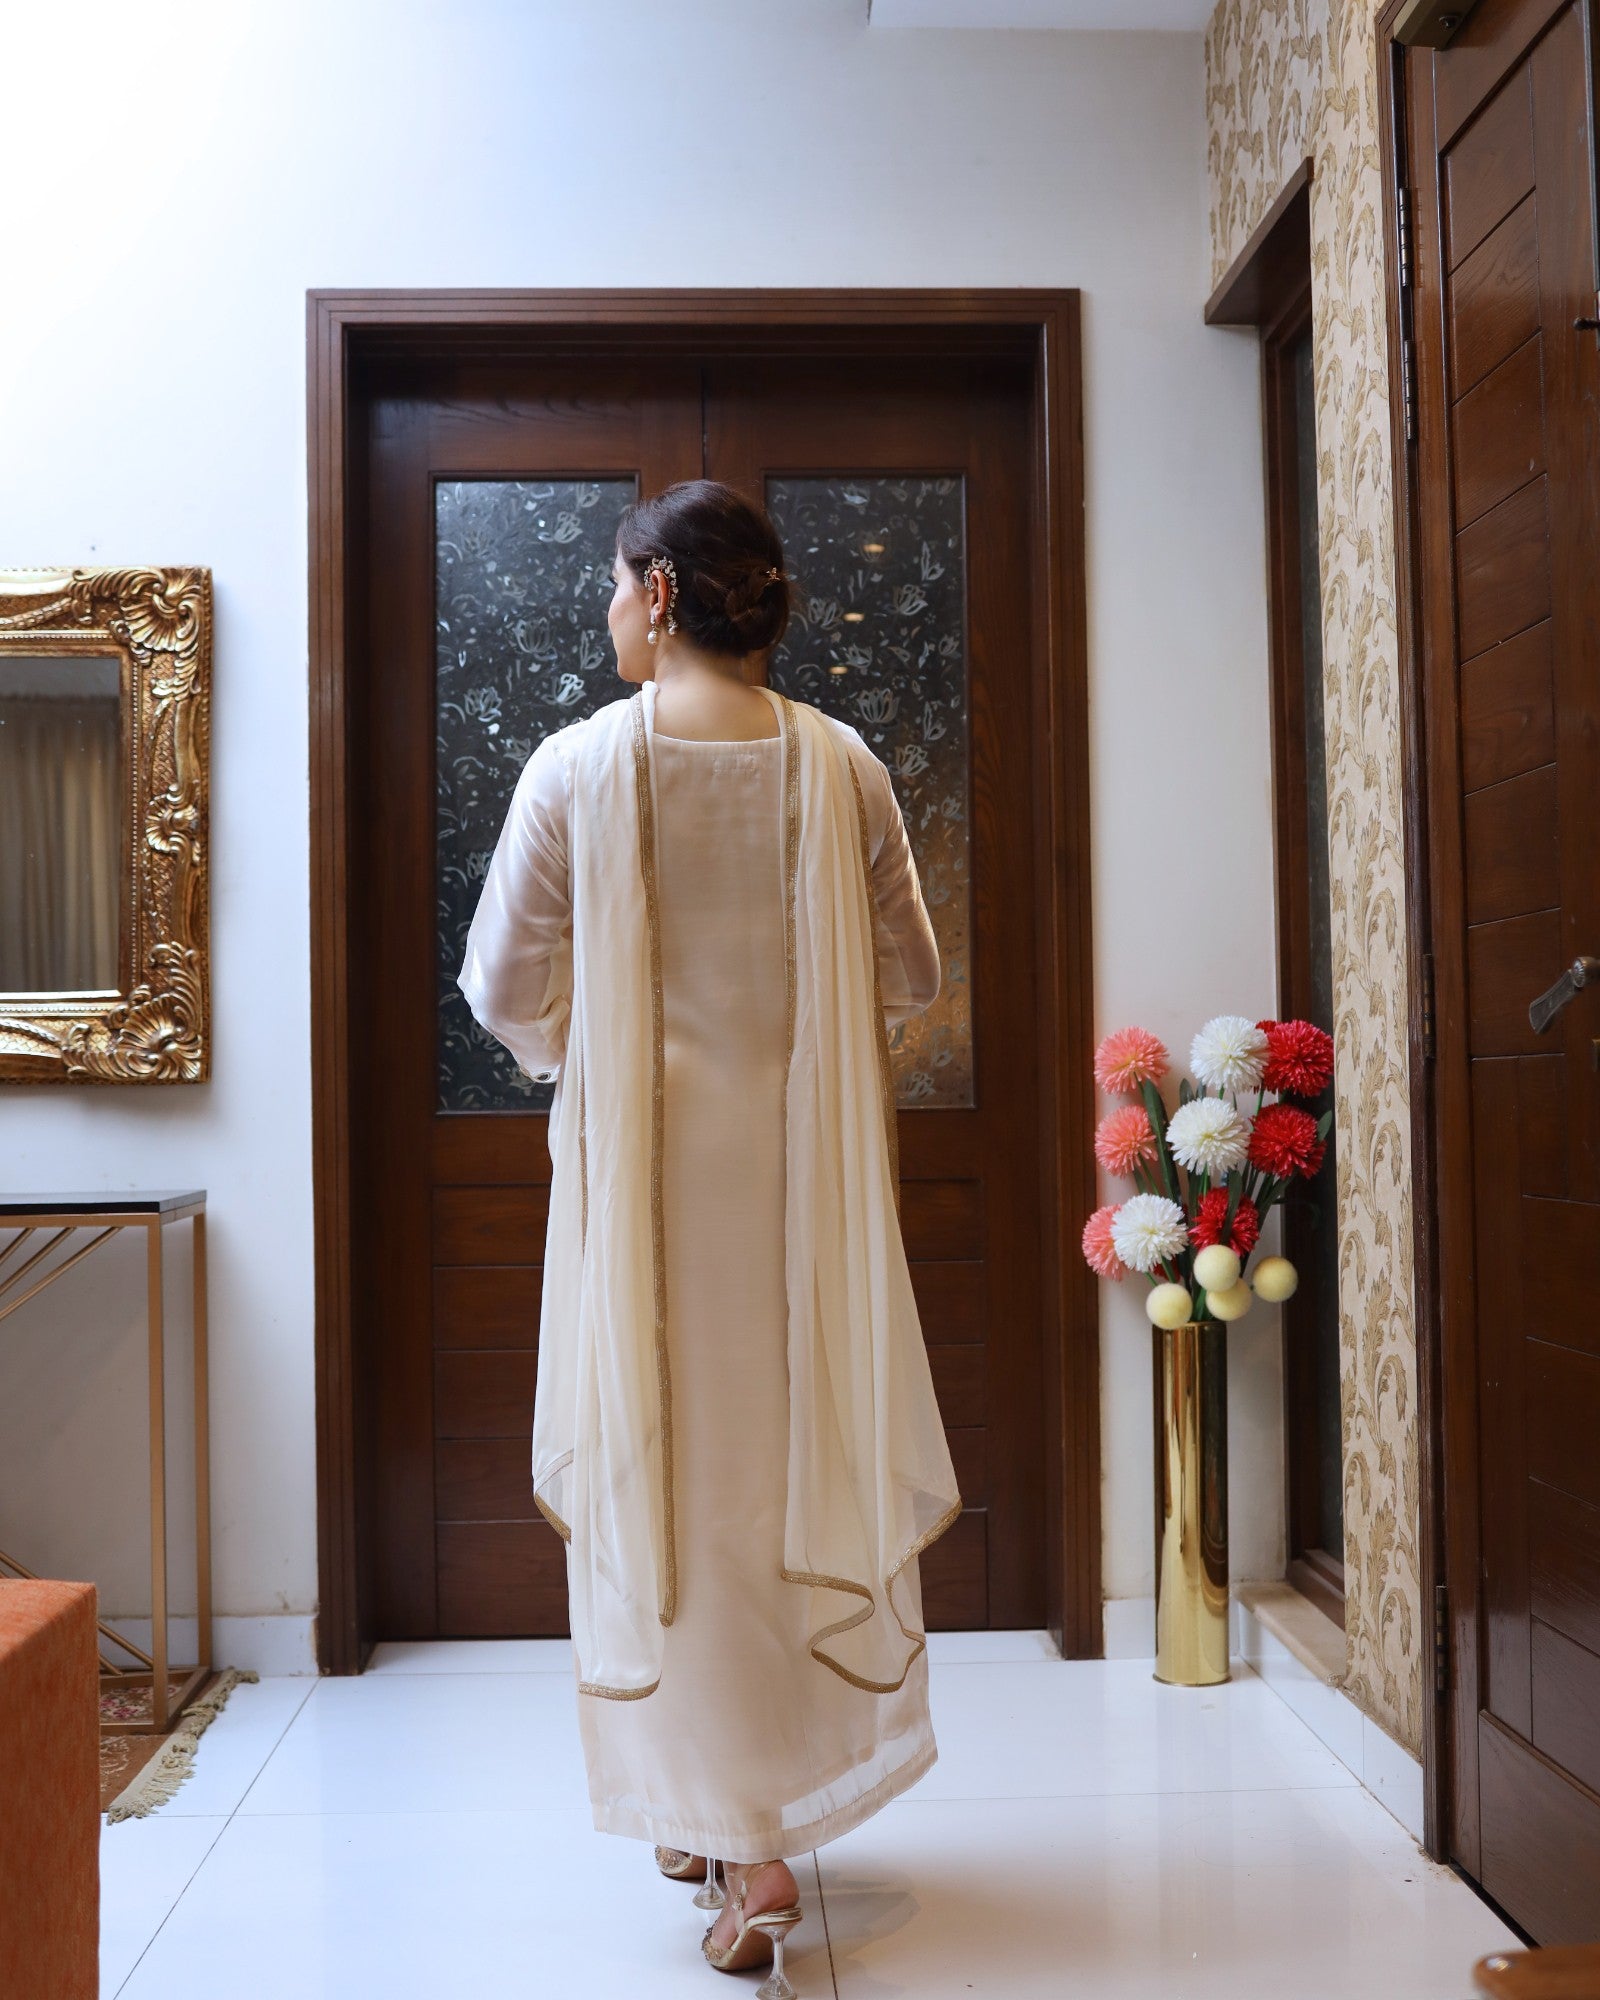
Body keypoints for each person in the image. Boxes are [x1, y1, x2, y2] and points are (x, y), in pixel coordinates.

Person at [457, 479, 960, 1993]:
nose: (606, 610)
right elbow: (911, 970)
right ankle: (731, 1806)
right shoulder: (841, 762)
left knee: (662, 1476)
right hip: (800, 1197)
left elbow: (499, 987)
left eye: (618, 584)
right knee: (786, 1475)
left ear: (660, 593)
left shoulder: (575, 769)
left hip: (642, 1199)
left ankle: (736, 1848)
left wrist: (585, 1052)